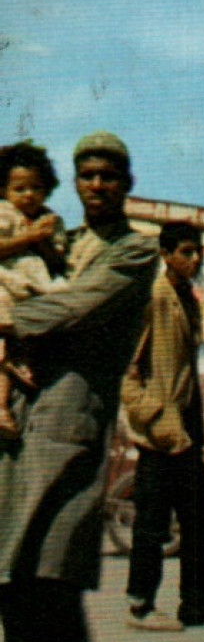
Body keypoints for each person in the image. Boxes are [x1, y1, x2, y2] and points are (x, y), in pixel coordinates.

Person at [0, 132, 158, 642]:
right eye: (87, 176)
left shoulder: (135, 251)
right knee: (6, 546)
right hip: (19, 399)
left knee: (54, 547)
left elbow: (74, 307)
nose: (97, 186)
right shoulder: (60, 239)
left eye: (108, 176)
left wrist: (6, 324)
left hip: (74, 403)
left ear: (127, 184)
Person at [122, 220, 204, 629]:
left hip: (186, 425)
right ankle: (140, 605)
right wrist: (153, 415)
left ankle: (194, 603)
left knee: (200, 521)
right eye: (186, 252)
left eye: (197, 252)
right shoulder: (154, 297)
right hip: (160, 429)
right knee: (152, 523)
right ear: (166, 254)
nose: (194, 259)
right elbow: (128, 370)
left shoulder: (187, 297)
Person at [0, 141, 69, 440]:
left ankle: (23, 359)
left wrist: (43, 240)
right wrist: (28, 237)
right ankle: (1, 406)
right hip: (6, 279)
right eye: (19, 189)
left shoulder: (51, 220)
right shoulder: (3, 214)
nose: (28, 195)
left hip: (35, 283)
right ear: (3, 190)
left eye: (36, 188)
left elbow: (58, 259)